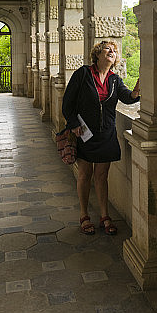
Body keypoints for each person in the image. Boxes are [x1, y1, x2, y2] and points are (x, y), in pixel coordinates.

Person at [61, 39, 140, 235]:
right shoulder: (83, 74)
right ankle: (84, 215)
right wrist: (74, 125)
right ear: (97, 54)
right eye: (107, 49)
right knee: (85, 175)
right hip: (84, 133)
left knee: (102, 176)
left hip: (106, 134)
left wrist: (138, 90)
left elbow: (127, 98)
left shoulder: (114, 79)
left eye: (114, 50)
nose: (112, 52)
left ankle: (105, 216)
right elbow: (67, 102)